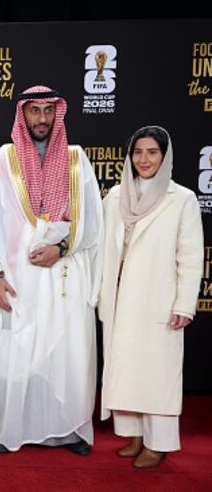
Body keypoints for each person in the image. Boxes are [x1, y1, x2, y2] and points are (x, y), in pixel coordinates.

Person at [0, 86, 103, 455]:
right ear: (22, 114)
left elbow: (93, 223)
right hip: (18, 277)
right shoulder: (0, 163)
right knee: (16, 353)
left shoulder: (75, 160)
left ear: (57, 114)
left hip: (64, 274)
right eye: (34, 111)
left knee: (65, 353)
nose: (41, 118)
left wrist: (61, 248)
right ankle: (12, 429)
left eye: (47, 111)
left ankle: (68, 430)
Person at [98, 126, 203, 469]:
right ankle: (134, 435)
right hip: (120, 297)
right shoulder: (115, 196)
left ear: (165, 156)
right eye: (138, 152)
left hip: (158, 297)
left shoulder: (181, 199)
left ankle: (159, 443)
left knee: (157, 374)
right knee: (126, 368)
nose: (144, 159)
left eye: (152, 152)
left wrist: (184, 303)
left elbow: (190, 256)